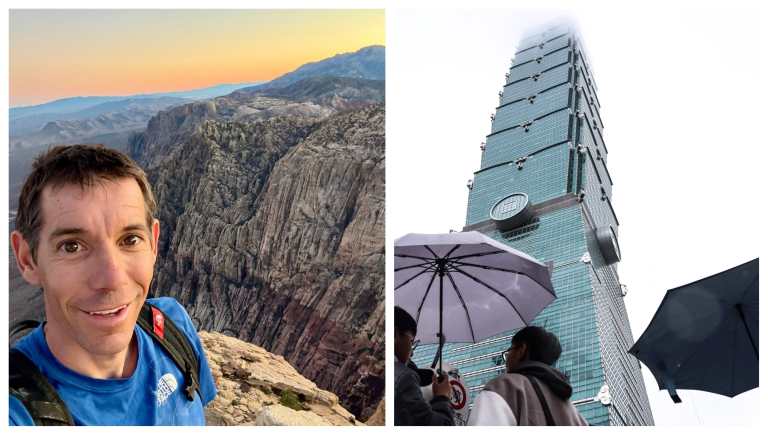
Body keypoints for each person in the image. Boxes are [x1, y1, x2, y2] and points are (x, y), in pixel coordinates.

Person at [9, 144, 217, 425]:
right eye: (72, 246)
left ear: (153, 243)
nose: (112, 279)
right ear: (27, 260)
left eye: (130, 240)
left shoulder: (172, 326)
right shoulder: (16, 411)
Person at [468, 326, 587, 426]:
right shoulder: (575, 415)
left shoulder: (505, 387)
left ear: (522, 349)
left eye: (509, 351)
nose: (506, 360)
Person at [394, 306, 455, 425]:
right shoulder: (404, 378)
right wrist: (442, 396)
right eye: (411, 341)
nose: (412, 352)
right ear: (395, 334)